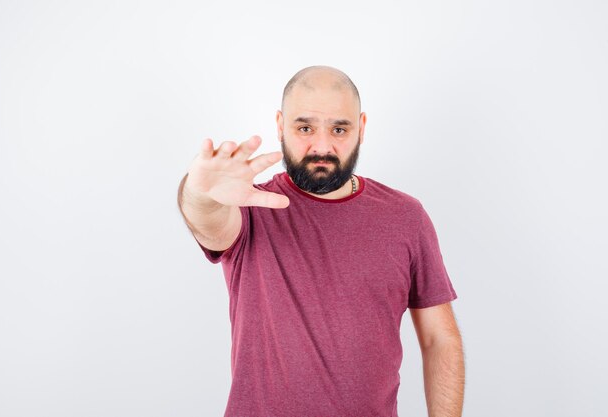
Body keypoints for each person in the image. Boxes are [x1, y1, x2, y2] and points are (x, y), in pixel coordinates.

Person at [177, 65, 465, 417]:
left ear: (361, 127)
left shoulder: (407, 217)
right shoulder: (250, 209)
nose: (322, 146)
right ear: (281, 125)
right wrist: (199, 193)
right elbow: (207, 219)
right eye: (305, 128)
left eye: (339, 129)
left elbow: (440, 340)